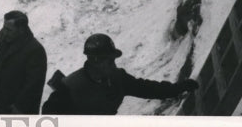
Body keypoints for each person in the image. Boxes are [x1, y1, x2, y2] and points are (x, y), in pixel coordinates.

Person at [42, 33, 199, 115]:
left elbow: (146, 88)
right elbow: (49, 120)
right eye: (109, 61)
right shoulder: (70, 87)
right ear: (95, 61)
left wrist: (178, 88)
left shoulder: (117, 78)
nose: (113, 65)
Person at [0, 10, 47, 114]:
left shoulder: (35, 50)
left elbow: (34, 85)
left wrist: (20, 107)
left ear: (21, 30)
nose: (5, 32)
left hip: (20, 110)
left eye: (9, 30)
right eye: (4, 28)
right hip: (2, 103)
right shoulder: (4, 36)